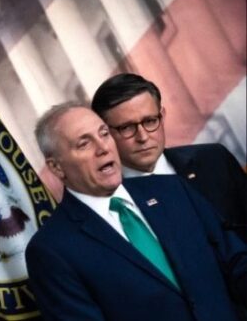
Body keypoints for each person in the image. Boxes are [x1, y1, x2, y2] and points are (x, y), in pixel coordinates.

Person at [25, 103, 247, 320]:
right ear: (56, 167)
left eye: (104, 134)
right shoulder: (50, 250)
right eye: (84, 144)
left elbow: (237, 262)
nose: (103, 148)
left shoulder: (172, 190)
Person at [91, 72, 247, 243]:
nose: (143, 137)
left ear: (162, 116)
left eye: (150, 121)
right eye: (127, 127)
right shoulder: (111, 203)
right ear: (104, 134)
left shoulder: (213, 160)